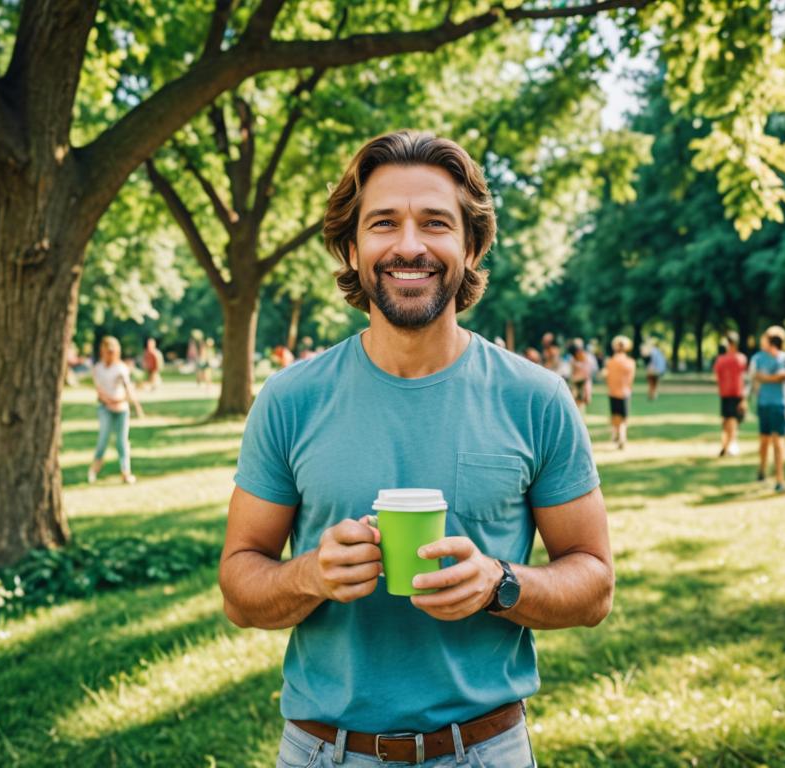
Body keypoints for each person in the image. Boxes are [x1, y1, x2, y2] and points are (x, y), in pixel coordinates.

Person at [218, 131, 613, 768]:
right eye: (383, 223)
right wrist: (310, 573)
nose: (409, 245)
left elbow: (593, 584)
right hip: (323, 752)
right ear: (352, 246)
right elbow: (240, 588)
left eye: (435, 223)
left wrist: (498, 583)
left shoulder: (535, 397)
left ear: (471, 244)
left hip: (486, 751)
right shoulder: (290, 399)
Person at [747, 326, 785, 492]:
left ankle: (779, 478)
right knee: (764, 442)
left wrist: (773, 377)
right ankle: (762, 470)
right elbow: (755, 378)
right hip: (763, 405)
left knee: (778, 443)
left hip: (781, 405)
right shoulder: (757, 358)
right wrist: (777, 377)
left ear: (771, 342)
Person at [88, 336, 144, 484]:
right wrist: (110, 401)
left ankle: (126, 473)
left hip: (121, 409)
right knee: (103, 439)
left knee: (122, 441)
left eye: (113, 352)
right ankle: (93, 471)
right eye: (108, 351)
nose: (110, 354)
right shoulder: (98, 369)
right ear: (103, 352)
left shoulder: (121, 368)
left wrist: (135, 405)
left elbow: (128, 388)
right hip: (105, 407)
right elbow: (99, 390)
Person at [714, 331, 748, 457]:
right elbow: (745, 378)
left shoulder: (720, 360)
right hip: (736, 394)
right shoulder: (741, 359)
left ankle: (725, 445)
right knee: (732, 421)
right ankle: (730, 445)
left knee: (726, 421)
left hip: (725, 394)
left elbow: (717, 378)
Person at [604, 335, 636, 449]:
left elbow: (607, 378)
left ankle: (615, 434)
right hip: (625, 392)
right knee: (624, 417)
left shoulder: (610, 362)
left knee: (615, 415)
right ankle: (622, 436)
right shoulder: (630, 362)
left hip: (613, 392)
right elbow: (631, 379)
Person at [568, 339, 595, 411]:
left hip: (584, 383)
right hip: (576, 383)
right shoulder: (572, 359)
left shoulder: (588, 358)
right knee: (575, 405)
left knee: (582, 405)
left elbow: (588, 374)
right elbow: (571, 373)